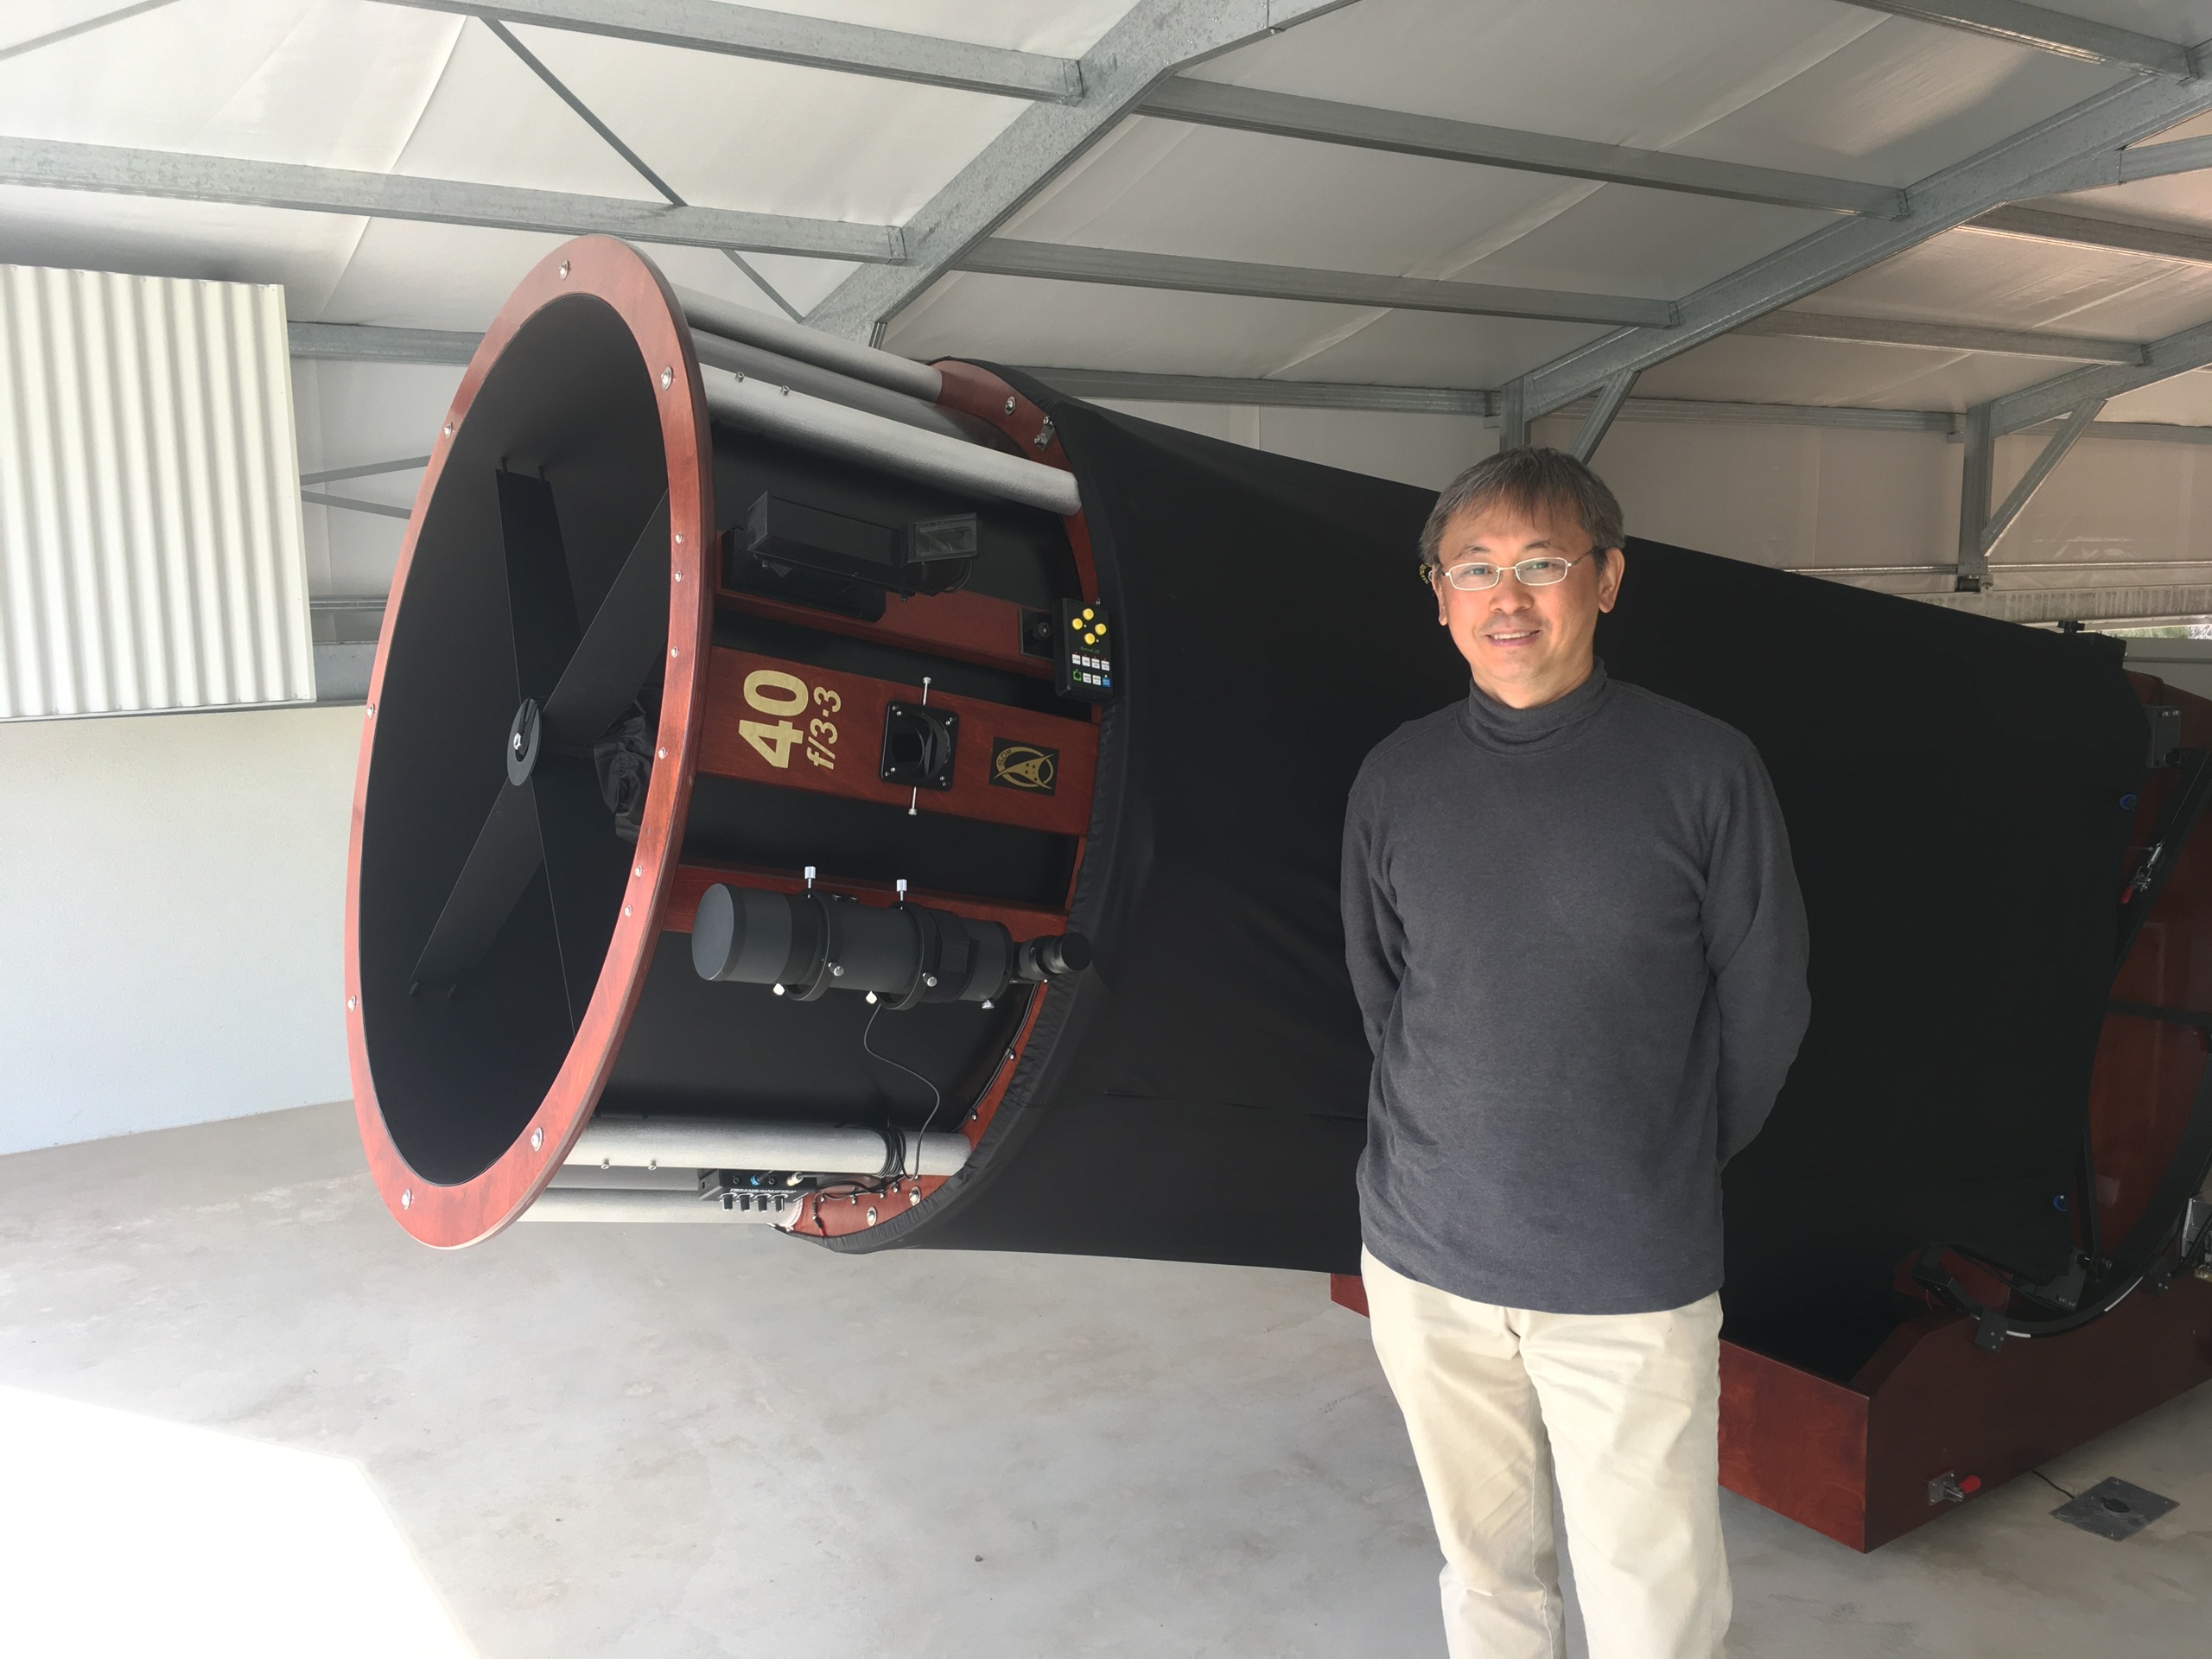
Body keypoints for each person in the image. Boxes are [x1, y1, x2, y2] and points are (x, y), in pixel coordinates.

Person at [1340, 448, 1810, 1659]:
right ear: (1439, 597)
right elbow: (1384, 994)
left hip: (1627, 1271)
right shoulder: (1397, 778)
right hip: (1424, 1256)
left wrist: (1659, 1162)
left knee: (1651, 1595)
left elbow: (1767, 1001)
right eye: (1476, 568)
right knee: (1488, 1572)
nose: (1509, 597)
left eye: (1543, 564)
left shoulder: (1705, 770)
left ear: (1607, 579)